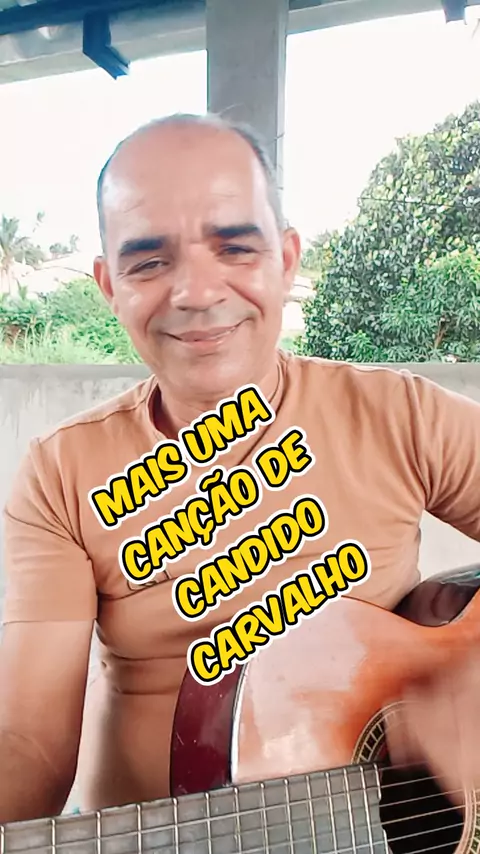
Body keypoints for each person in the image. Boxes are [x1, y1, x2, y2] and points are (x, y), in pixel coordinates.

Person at [0, 112, 480, 824]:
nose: (197, 293)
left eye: (235, 248)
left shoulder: (398, 413)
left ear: (286, 260)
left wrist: (466, 681)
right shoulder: (62, 473)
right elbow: (30, 743)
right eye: (149, 262)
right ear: (109, 285)